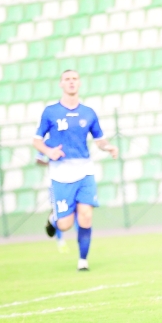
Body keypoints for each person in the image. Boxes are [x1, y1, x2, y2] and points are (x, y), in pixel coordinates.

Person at [33, 70, 119, 271]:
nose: (71, 82)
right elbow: (36, 140)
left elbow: (99, 139)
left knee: (86, 216)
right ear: (61, 84)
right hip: (61, 174)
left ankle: (83, 260)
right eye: (67, 79)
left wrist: (108, 147)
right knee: (64, 225)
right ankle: (54, 218)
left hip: (84, 171)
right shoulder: (51, 112)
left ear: (79, 83)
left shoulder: (88, 113)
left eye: (74, 79)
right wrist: (49, 151)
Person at [37, 152, 68, 252]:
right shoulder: (47, 144)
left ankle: (52, 220)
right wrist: (50, 164)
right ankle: (60, 241)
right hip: (53, 184)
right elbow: (38, 159)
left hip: (68, 181)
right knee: (58, 212)